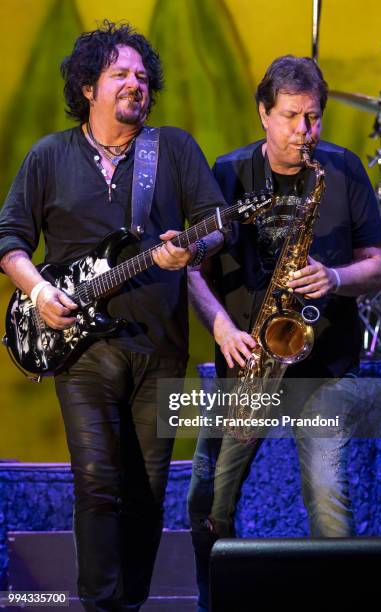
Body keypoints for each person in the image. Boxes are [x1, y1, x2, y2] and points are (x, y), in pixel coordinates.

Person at [0, 20, 225, 611]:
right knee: (98, 481)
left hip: (161, 346)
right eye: (120, 73)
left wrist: (191, 249)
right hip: (81, 347)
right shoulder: (49, 156)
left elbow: (216, 225)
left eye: (143, 77)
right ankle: (101, 606)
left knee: (148, 490)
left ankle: (129, 603)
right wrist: (39, 293)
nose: (135, 83)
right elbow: (10, 241)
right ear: (87, 87)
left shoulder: (171, 149)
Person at [187, 55, 381, 612]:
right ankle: (212, 599)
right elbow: (191, 272)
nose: (306, 131)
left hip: (323, 370)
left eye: (314, 117)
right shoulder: (225, 175)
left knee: (328, 501)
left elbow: (377, 264)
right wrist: (223, 327)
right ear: (263, 115)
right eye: (294, 116)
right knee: (208, 498)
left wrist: (336, 276)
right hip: (247, 361)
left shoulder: (341, 171)